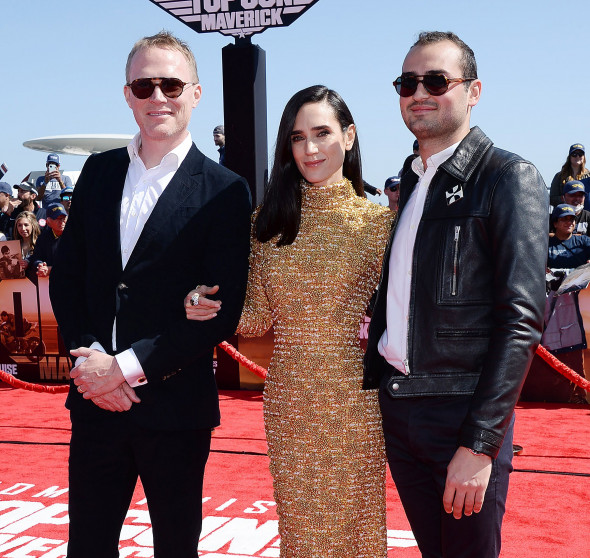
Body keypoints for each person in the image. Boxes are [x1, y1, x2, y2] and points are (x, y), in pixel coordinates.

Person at [49, 31, 251, 558]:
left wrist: (123, 369)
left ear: (197, 93)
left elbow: (218, 312)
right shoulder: (98, 171)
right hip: (94, 403)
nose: (157, 96)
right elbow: (69, 277)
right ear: (127, 94)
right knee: (87, 547)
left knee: (175, 549)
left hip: (174, 408)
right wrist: (92, 360)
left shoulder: (226, 189)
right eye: (144, 85)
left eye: (171, 84)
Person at [186, 85, 394, 557]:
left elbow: (397, 316)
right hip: (288, 397)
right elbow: (256, 319)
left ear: (350, 136)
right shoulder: (268, 223)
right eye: (298, 137)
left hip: (355, 400)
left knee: (356, 524)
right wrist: (205, 300)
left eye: (323, 133)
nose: (311, 148)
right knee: (301, 530)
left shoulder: (378, 224)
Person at [363, 31, 548, 558]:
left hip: (461, 415)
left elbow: (521, 319)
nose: (419, 92)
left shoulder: (508, 177)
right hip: (400, 410)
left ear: (473, 91)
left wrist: (481, 442)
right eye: (407, 82)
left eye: (437, 80)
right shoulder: (413, 179)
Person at [522, 204, 590, 404]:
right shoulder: (544, 242)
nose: (569, 223)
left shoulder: (584, 241)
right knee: (541, 344)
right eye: (564, 219)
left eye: (571, 219)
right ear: (555, 223)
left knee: (575, 346)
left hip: (576, 303)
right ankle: (532, 391)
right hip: (546, 300)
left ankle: (579, 394)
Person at [30, 203, 67, 279]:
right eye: (58, 218)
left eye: (63, 218)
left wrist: (51, 269)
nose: (62, 221)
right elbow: (36, 257)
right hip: (49, 283)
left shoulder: (74, 236)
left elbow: (75, 263)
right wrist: (40, 265)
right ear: (48, 222)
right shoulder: (43, 237)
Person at [549, 143, 590, 208]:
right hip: (565, 214)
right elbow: (551, 199)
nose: (577, 157)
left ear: (584, 157)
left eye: (580, 154)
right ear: (569, 157)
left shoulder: (588, 177)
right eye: (574, 154)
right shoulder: (559, 176)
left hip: (583, 214)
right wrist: (564, 199)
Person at [12, 211, 41, 278]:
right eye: (19, 225)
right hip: (19, 285)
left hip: (38, 282)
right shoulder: (14, 246)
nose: (23, 229)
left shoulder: (41, 243)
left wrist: (29, 263)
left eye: (26, 225)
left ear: (33, 225)